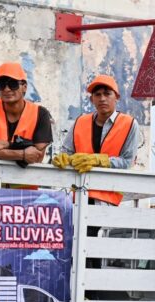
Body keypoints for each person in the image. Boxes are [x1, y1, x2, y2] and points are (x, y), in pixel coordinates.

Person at [53, 74, 141, 206]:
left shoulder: (129, 124)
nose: (102, 99)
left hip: (109, 198)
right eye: (97, 95)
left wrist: (100, 160)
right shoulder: (80, 122)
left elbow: (128, 162)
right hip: (77, 195)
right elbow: (66, 153)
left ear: (116, 97)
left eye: (107, 94)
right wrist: (64, 159)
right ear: (91, 99)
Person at [0, 62, 53, 168]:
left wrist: (6, 145)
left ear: (24, 87)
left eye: (13, 84)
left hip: (24, 182)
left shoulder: (40, 114)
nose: (7, 89)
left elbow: (37, 156)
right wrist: (22, 154)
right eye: (1, 85)